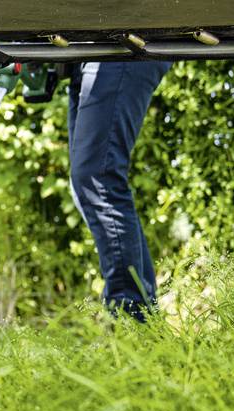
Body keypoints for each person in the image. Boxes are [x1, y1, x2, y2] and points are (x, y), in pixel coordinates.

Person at [67, 61, 172, 322]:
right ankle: (145, 321)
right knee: (85, 183)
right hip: (87, 51)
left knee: (96, 178)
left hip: (122, 46)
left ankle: (130, 315)